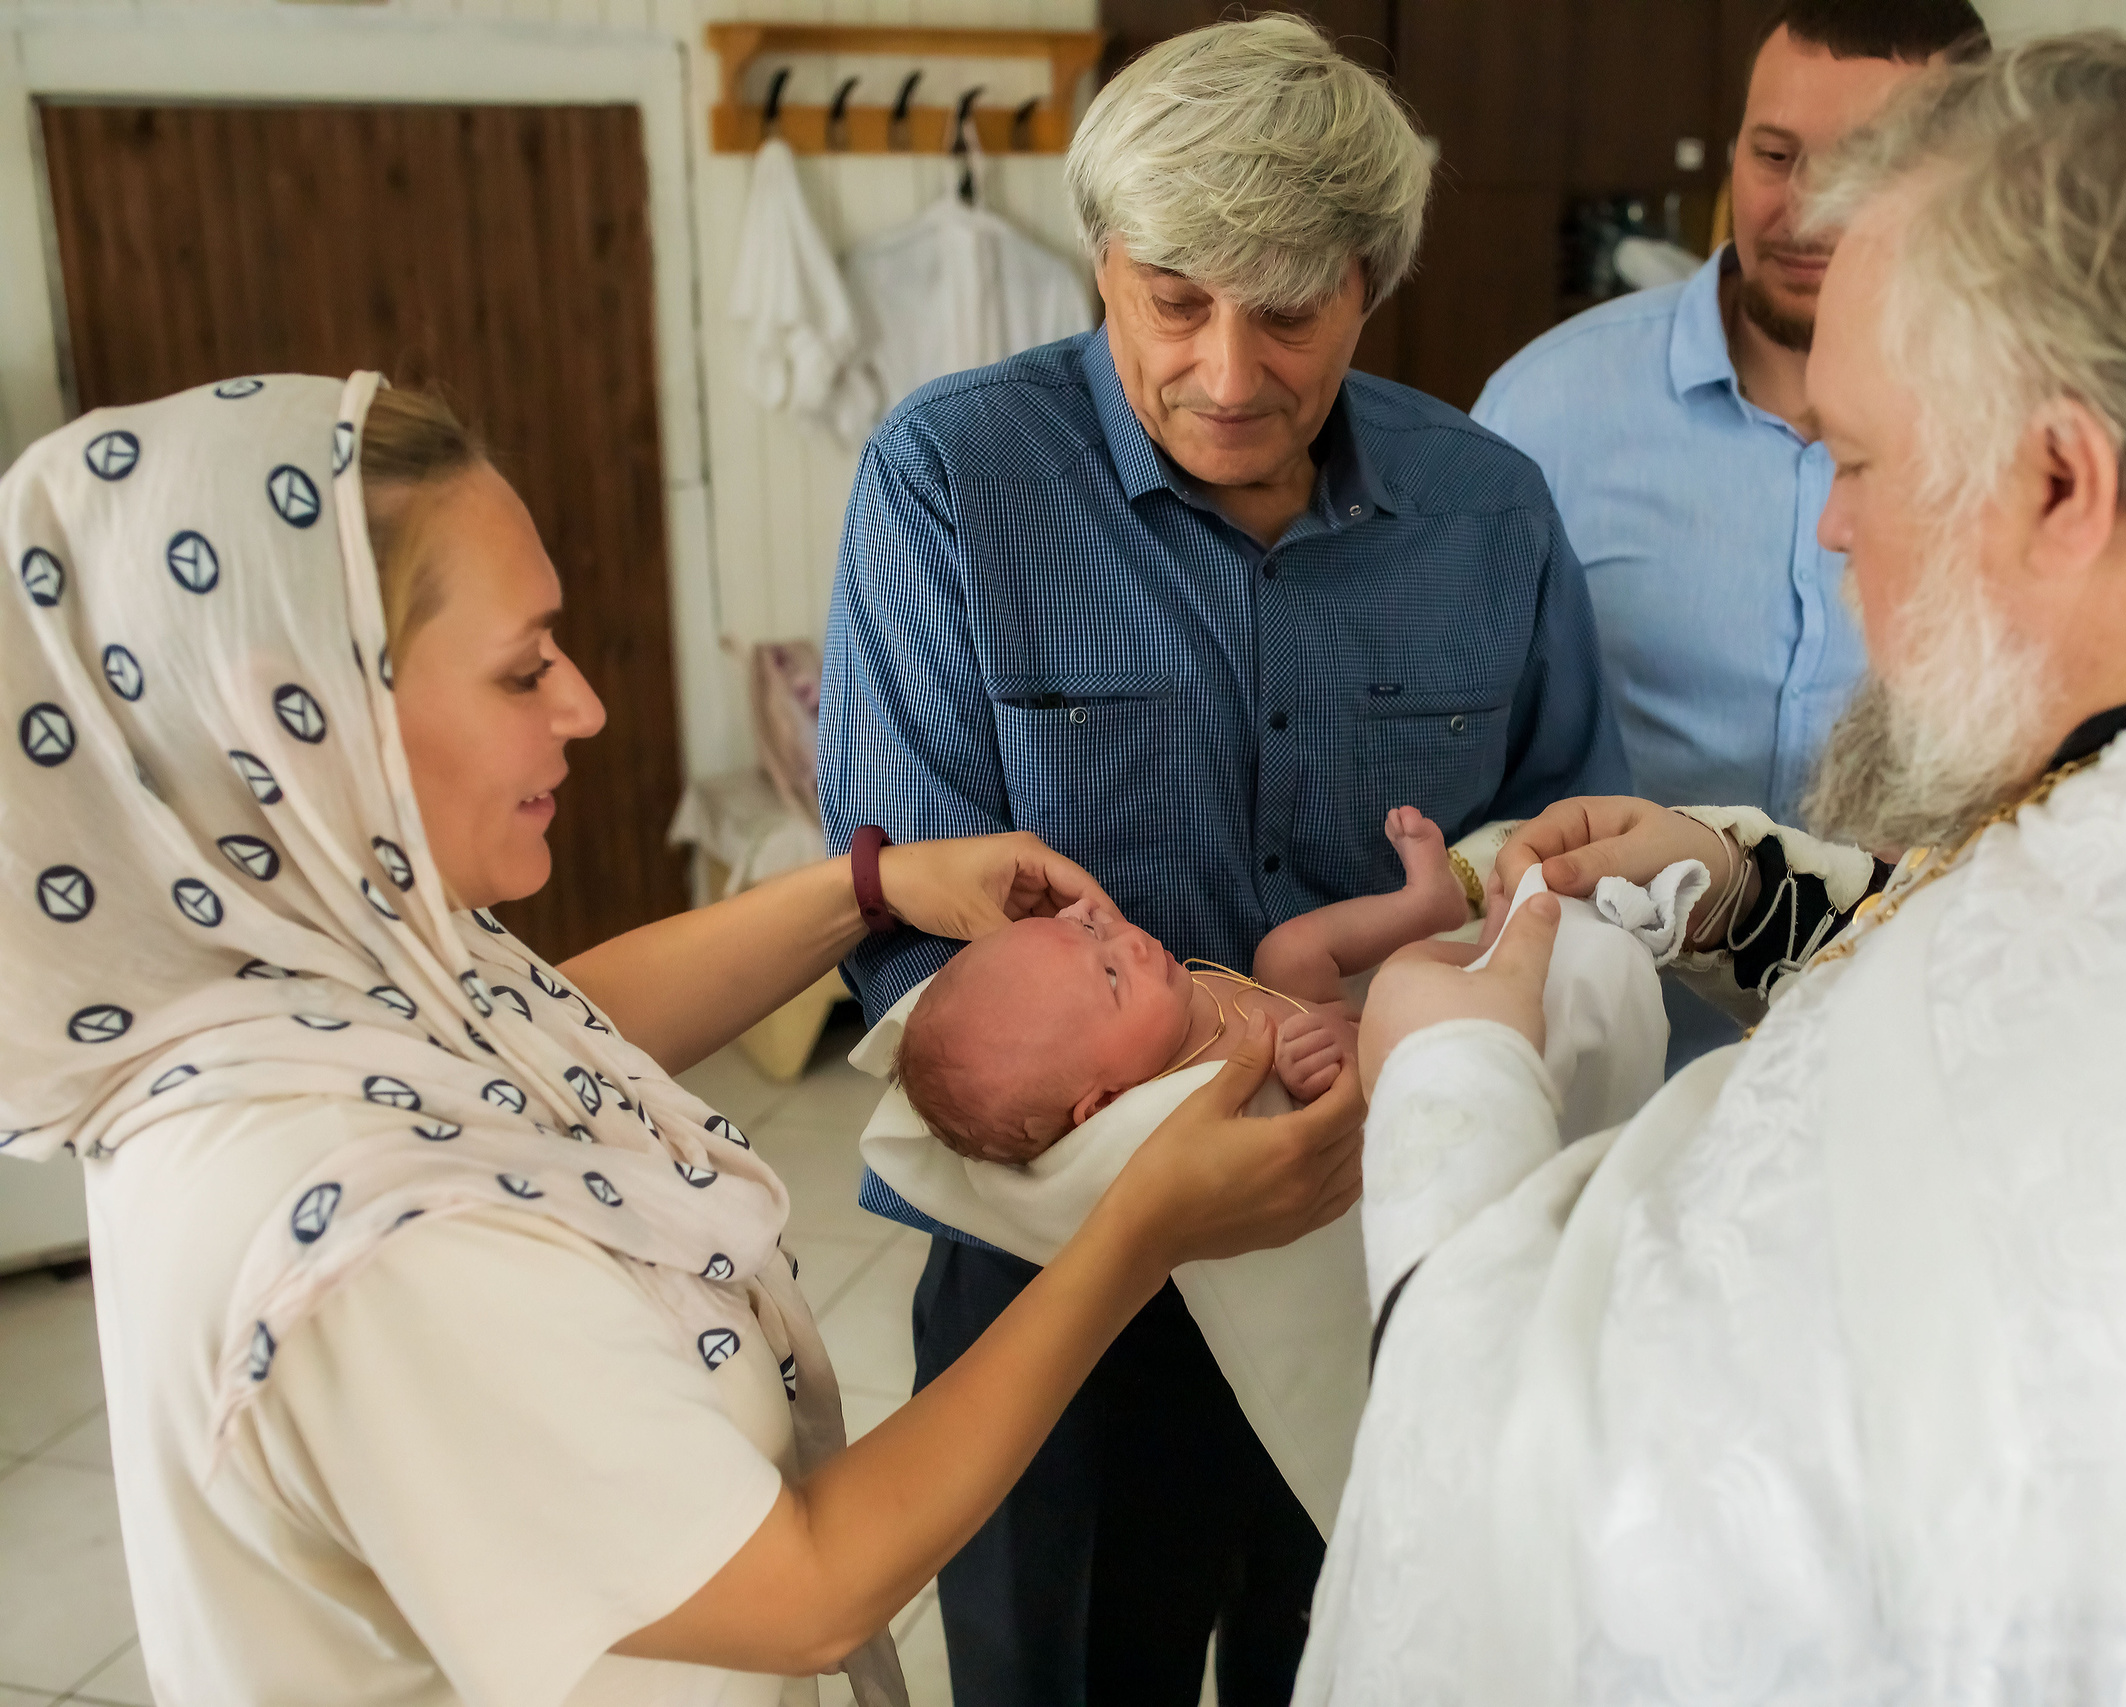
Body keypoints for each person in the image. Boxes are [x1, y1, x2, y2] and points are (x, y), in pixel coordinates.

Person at [1305, 33, 2126, 1703]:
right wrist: (1748, 894)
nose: (1832, 526)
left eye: (1861, 461)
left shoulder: (2053, 1032)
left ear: (2058, 479)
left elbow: (1568, 1540)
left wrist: (1449, 1083)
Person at [0, 372, 1362, 1705]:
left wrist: (868, 886)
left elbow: (541, 1025)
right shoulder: (375, 1246)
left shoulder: (308, 970)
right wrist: (1140, 1228)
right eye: (523, 665)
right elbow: (807, 1583)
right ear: (287, 706)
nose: (585, 704)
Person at [817, 18, 1625, 1704]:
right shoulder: (953, 485)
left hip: (1393, 1261)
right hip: (1065, 1291)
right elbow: (906, 947)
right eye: (1174, 298)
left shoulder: (1490, 518)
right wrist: (1180, 1152)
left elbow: (1570, 856)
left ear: (1372, 284)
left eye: (1293, 310)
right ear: (1098, 261)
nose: (1230, 372)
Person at [1474, 0, 1987, 822]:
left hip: (1919, 942)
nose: (1804, 210)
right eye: (1774, 154)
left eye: (1862, 167)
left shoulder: (2027, 430)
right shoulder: (1548, 408)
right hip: (1608, 947)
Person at [900, 807, 1472, 1159]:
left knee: (1286, 952)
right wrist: (1310, 1080)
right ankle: (1483, 958)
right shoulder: (1194, 1102)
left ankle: (1426, 904)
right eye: (1111, 975)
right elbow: (1291, 1156)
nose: (1132, 942)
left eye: (1090, 928)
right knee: (1398, 991)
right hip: (1359, 1068)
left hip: (1303, 1001)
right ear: (1106, 1104)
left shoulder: (1153, 1027)